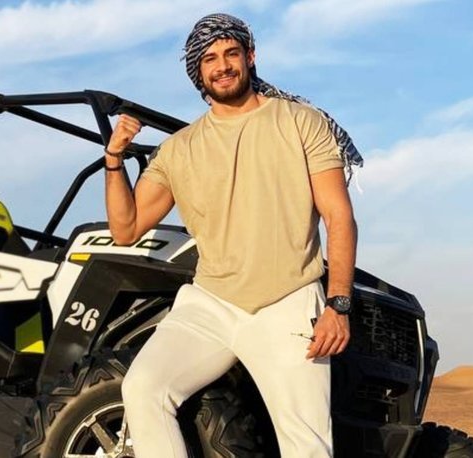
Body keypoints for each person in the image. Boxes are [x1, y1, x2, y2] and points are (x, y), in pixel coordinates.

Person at [103, 13, 360, 458]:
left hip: (287, 299)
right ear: (198, 72)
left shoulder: (301, 121)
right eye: (209, 59)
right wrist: (114, 159)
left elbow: (339, 216)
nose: (222, 66)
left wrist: (338, 305)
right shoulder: (179, 148)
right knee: (144, 387)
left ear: (250, 57)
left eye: (230, 53)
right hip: (210, 302)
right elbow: (125, 230)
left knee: (308, 446)